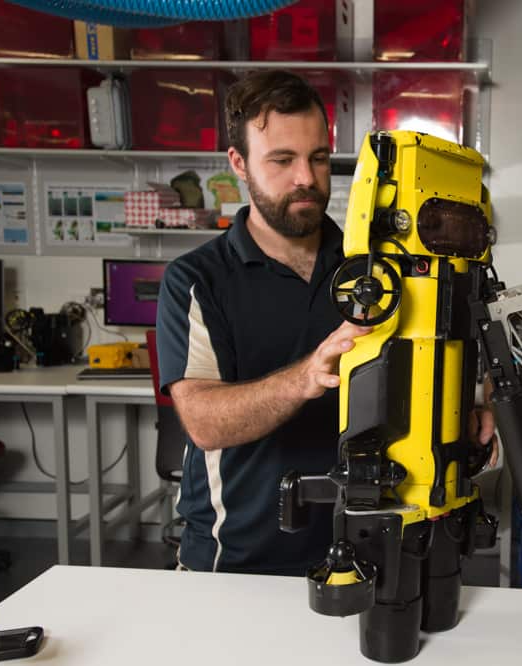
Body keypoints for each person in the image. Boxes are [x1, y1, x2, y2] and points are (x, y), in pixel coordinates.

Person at [155, 70, 370, 575]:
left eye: (318, 158)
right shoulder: (197, 280)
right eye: (282, 159)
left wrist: (478, 398)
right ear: (239, 164)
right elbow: (203, 422)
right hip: (238, 558)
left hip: (361, 551)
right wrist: (306, 376)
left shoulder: (370, 271)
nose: (306, 178)